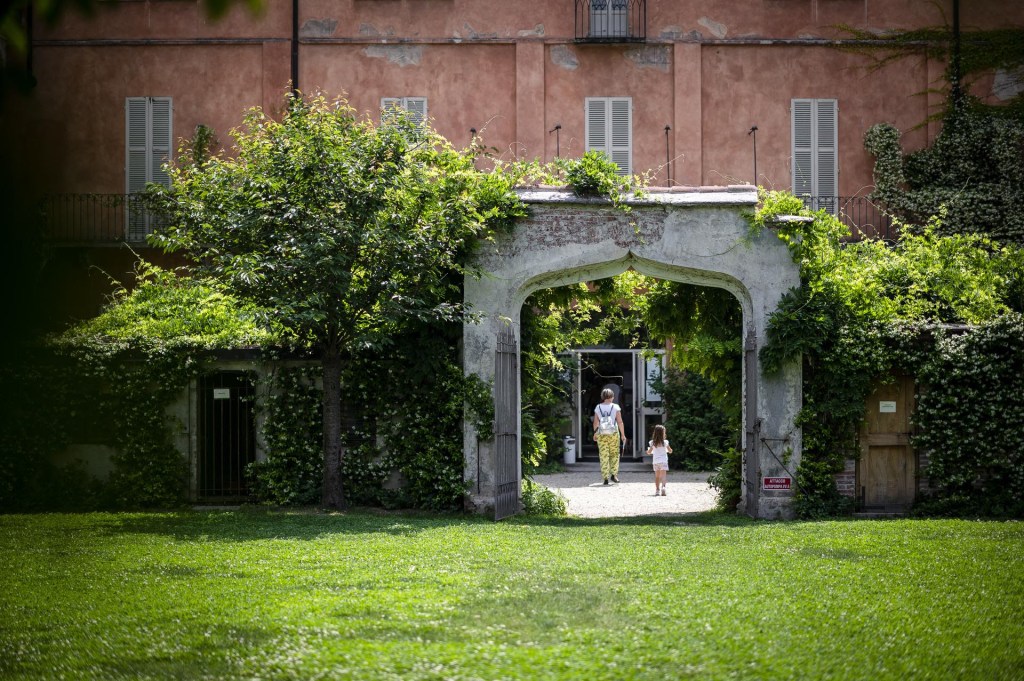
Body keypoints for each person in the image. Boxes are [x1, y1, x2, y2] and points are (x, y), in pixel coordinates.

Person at [592, 387, 626, 485]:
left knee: (603, 455)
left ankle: (605, 478)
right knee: (614, 454)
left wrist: (595, 433)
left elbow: (595, 422)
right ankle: (614, 475)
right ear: (612, 396)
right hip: (614, 433)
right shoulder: (615, 407)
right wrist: (623, 435)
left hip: (601, 434)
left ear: (603, 397)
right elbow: (620, 422)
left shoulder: (598, 407)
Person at [646, 424, 673, 496]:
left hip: (656, 462)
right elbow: (670, 451)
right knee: (663, 476)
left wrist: (648, 451)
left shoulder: (652, 442)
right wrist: (670, 450)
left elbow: (649, 452)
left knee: (657, 476)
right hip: (663, 461)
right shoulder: (665, 442)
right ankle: (663, 487)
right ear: (663, 433)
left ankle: (657, 490)